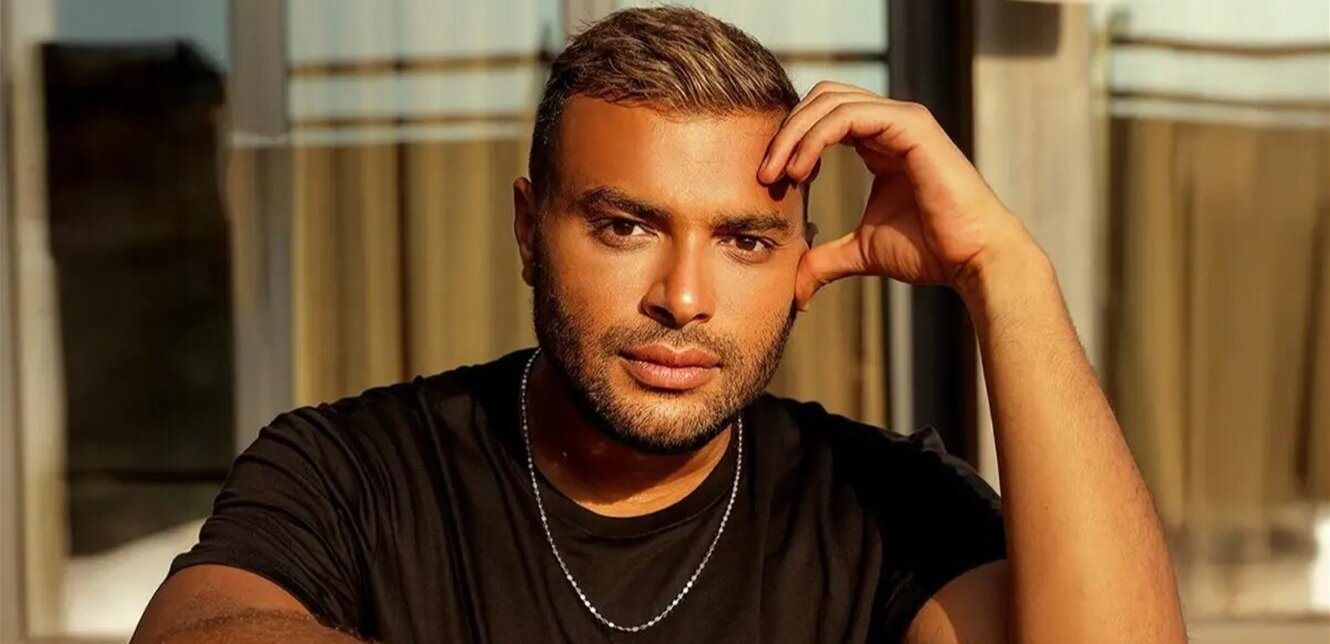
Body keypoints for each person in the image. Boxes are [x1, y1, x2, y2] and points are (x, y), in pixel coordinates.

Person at [132, 6, 1185, 643]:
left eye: (745, 240)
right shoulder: (352, 469)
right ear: (529, 230)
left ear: (803, 255)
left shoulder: (885, 508)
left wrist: (1007, 273)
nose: (682, 298)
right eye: (626, 226)